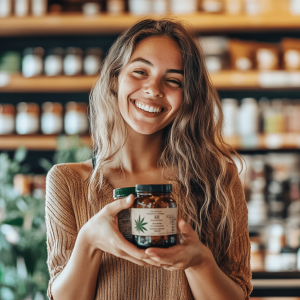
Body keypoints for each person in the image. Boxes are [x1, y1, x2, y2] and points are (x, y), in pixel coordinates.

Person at [45, 18, 252, 300]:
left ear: (188, 96)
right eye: (141, 71)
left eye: (173, 80)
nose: (154, 89)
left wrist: (199, 262)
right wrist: (89, 240)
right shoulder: (68, 181)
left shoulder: (218, 179)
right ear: (115, 78)